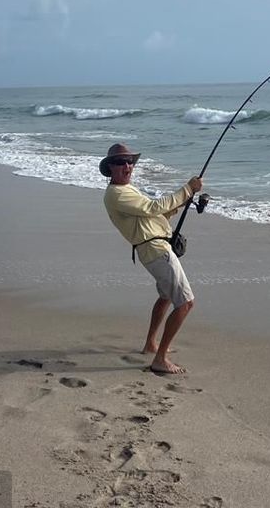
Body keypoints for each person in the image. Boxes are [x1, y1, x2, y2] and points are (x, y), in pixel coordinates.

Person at [100, 143, 202, 375]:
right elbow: (152, 206)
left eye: (130, 162)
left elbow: (154, 214)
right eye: (120, 162)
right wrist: (187, 189)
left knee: (166, 296)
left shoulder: (127, 190)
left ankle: (150, 344)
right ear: (110, 168)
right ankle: (160, 358)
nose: (127, 166)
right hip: (156, 251)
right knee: (186, 303)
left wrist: (181, 204)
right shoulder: (116, 193)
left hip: (155, 248)